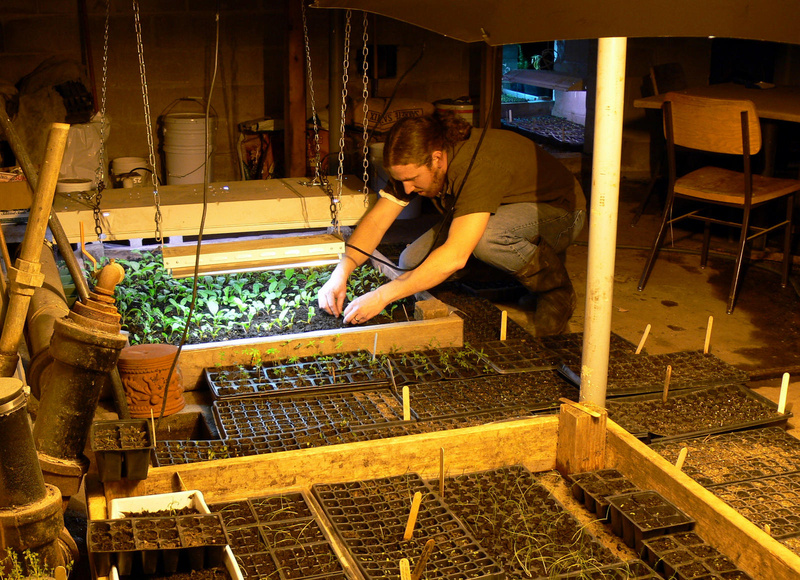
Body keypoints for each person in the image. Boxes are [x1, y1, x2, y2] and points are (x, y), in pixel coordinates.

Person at [317, 111, 587, 336]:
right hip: (503, 208)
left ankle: (555, 290)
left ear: (436, 158)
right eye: (401, 181)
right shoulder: (413, 168)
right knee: (410, 262)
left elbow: (455, 256)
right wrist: (341, 272)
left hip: (561, 213)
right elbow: (376, 223)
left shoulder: (478, 165)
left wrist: (381, 296)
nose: (407, 189)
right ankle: (513, 277)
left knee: (486, 240)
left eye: (412, 179)